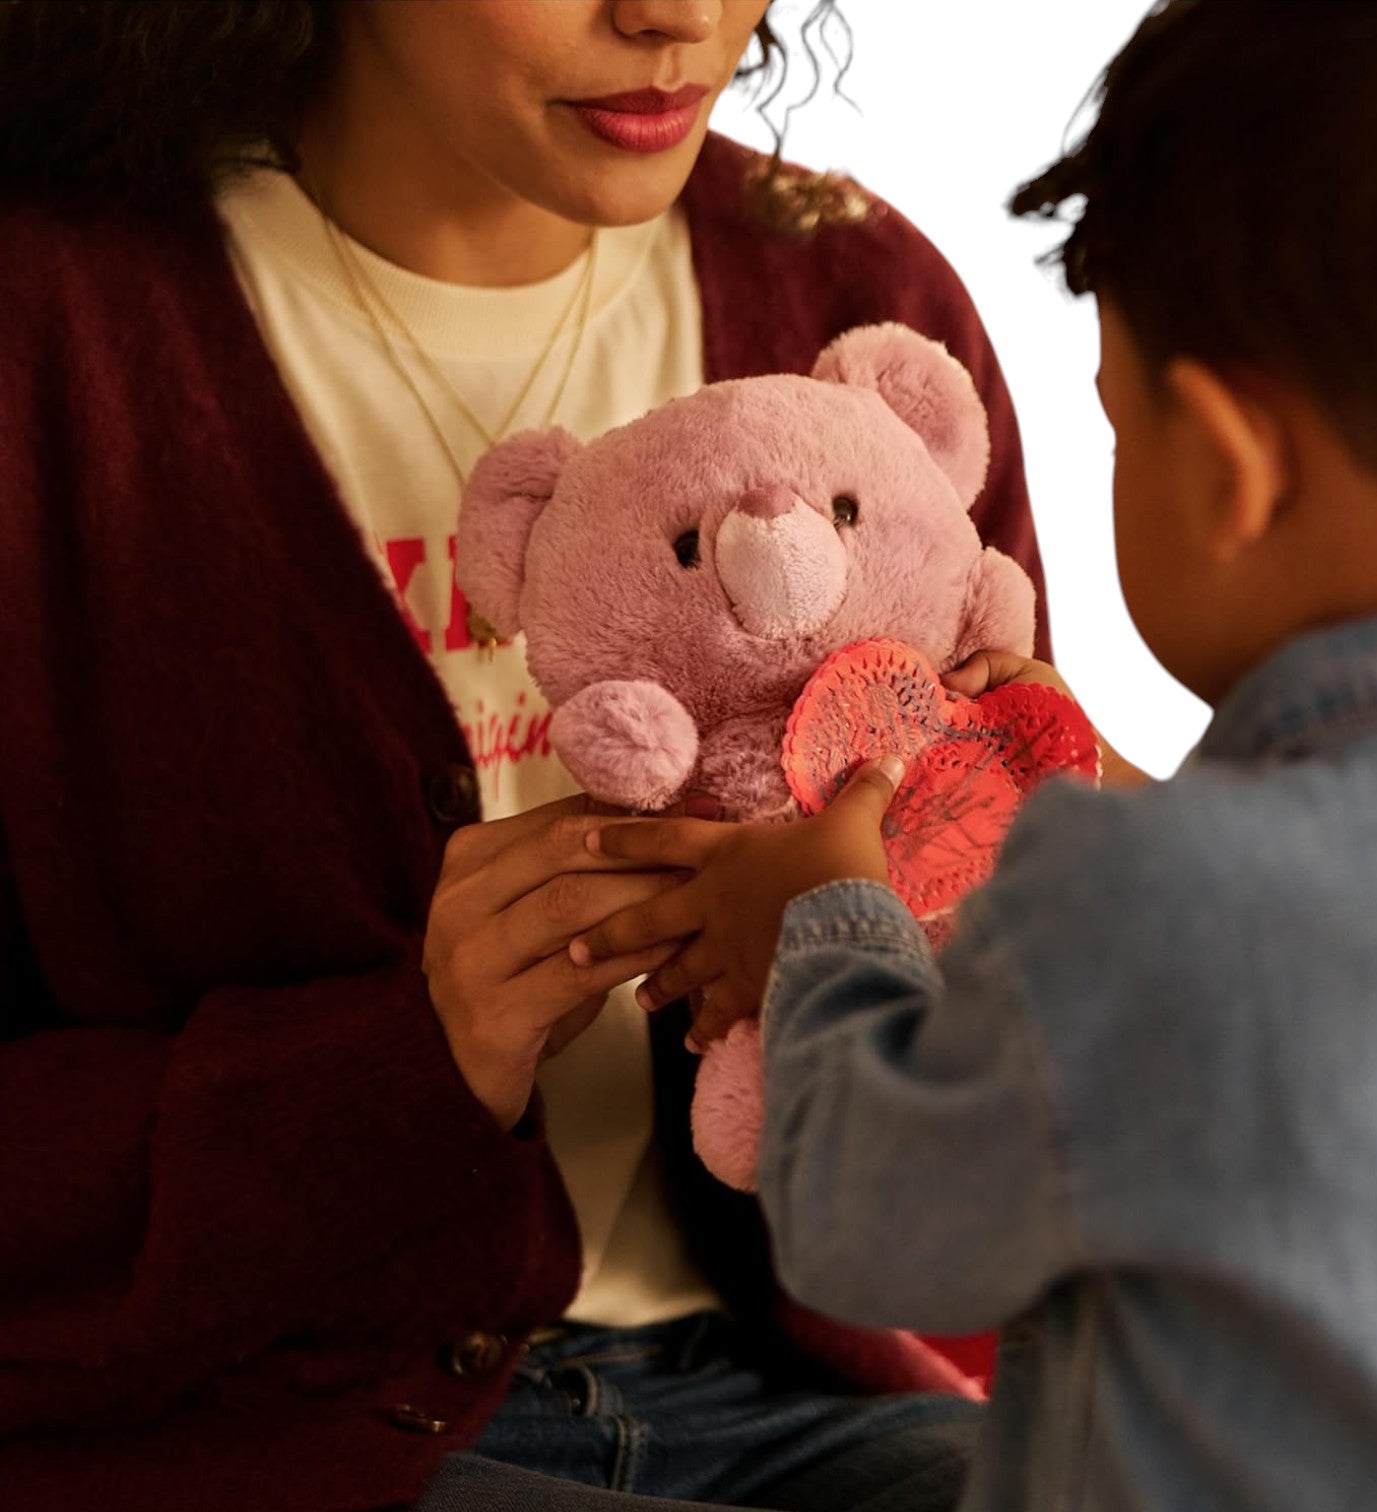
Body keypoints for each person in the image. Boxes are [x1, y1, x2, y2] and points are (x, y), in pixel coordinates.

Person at [0, 3, 1050, 1510]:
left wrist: (906, 900)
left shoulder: (856, 291)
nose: (675, 14)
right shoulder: (55, 324)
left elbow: (1012, 996)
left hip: (796, 1383)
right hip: (251, 1421)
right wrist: (402, 1065)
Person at [572, 3, 1377, 1509]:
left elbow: (879, 1220)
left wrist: (826, 919)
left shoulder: (1145, 898)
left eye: (1118, 429)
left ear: (1228, 467)